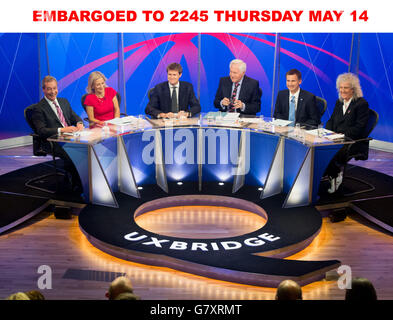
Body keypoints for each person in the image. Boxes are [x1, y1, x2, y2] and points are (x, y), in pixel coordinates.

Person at [31, 75, 84, 191]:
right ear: (43, 89)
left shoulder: (63, 102)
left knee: (88, 149)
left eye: (54, 88)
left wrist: (79, 122)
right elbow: (41, 131)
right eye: (49, 89)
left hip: (71, 137)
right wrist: (62, 130)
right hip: (53, 141)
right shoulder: (39, 108)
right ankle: (78, 184)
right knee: (73, 153)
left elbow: (75, 116)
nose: (52, 92)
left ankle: (85, 179)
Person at [325, 73, 369, 193]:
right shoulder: (339, 102)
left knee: (330, 150)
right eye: (341, 87)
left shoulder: (361, 104)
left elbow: (359, 128)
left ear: (353, 89)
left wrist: (340, 135)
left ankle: (335, 175)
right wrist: (327, 132)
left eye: (346, 88)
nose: (342, 90)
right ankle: (329, 174)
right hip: (335, 137)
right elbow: (331, 120)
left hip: (351, 140)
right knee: (319, 146)